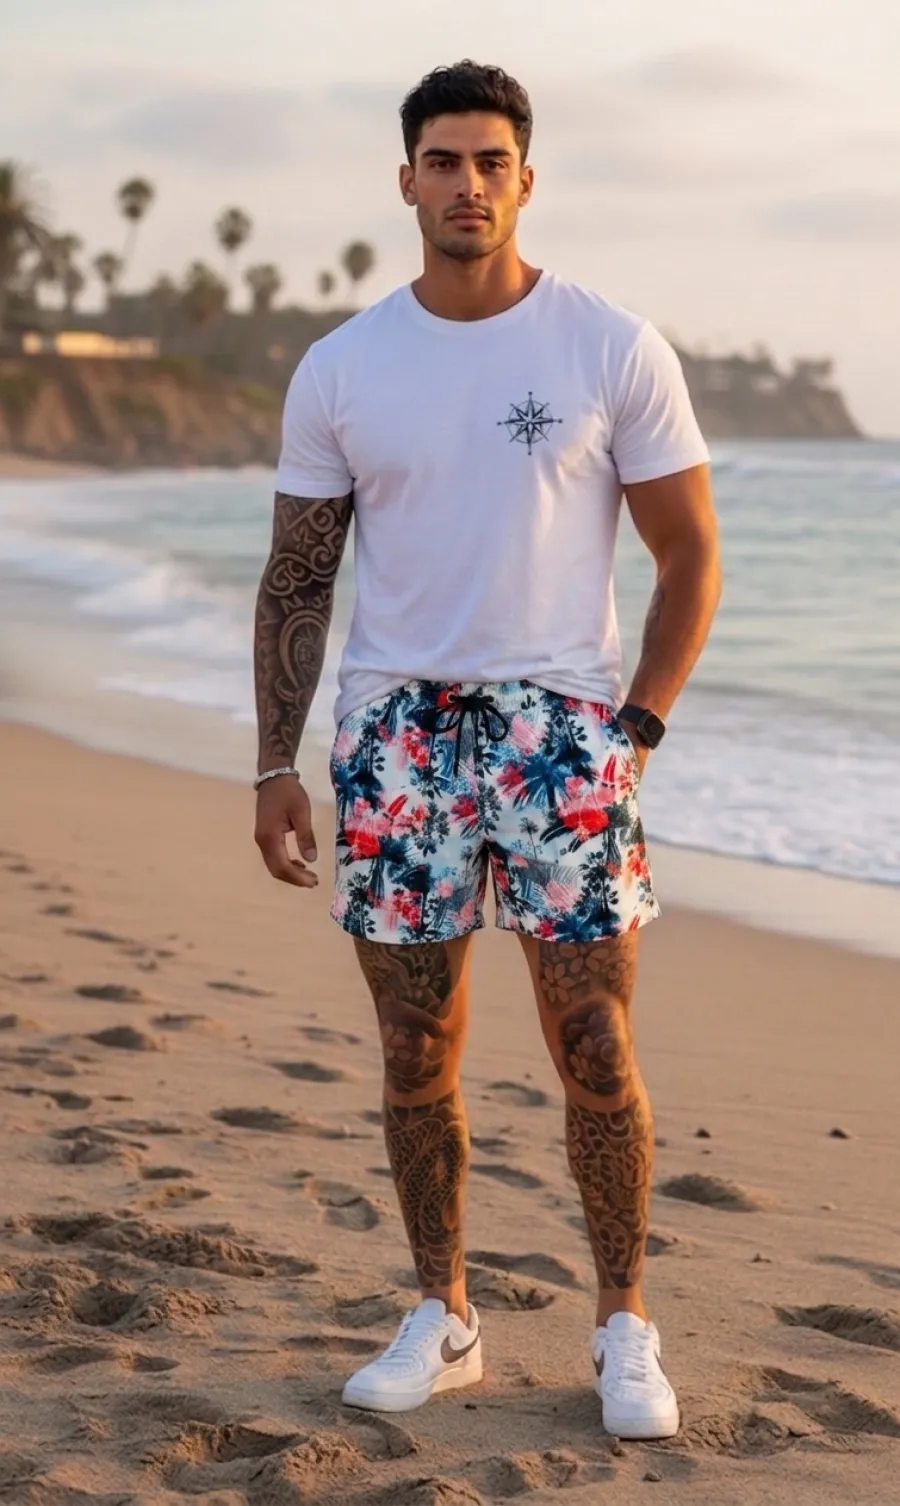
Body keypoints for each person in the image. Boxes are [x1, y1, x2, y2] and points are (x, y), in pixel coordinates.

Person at [253, 59, 721, 1439]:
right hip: (396, 736)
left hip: (561, 736)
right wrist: (275, 763)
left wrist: (636, 728)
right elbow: (297, 579)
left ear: (527, 178)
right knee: (416, 1048)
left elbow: (690, 556)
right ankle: (443, 1315)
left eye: (492, 160)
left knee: (596, 1045)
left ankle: (623, 1325)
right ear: (407, 179)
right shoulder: (345, 365)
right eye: (444, 160)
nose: (469, 183)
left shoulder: (609, 346)